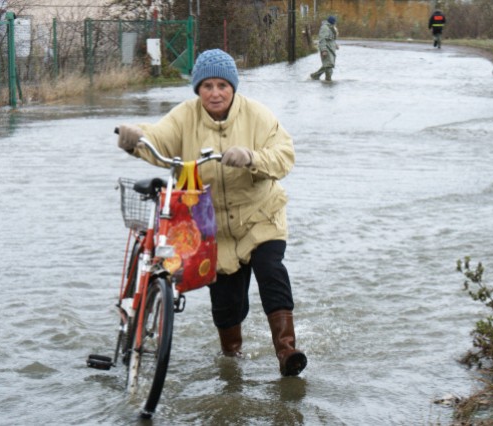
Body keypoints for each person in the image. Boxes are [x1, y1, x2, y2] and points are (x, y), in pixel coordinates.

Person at [116, 49, 307, 377]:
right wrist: (137, 138)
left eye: (222, 85)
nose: (215, 93)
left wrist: (251, 157)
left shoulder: (257, 115)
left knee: (271, 270)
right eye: (207, 86)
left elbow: (284, 155)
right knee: (227, 305)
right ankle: (232, 360)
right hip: (212, 229)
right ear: (197, 90)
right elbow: (160, 139)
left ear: (233, 87)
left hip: (260, 218)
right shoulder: (184, 117)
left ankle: (287, 352)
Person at [310, 15, 338, 81]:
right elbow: (322, 39)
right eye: (334, 22)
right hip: (327, 49)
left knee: (329, 64)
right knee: (328, 65)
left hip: (331, 49)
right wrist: (323, 50)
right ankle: (328, 81)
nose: (335, 23)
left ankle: (315, 76)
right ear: (332, 22)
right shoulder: (325, 28)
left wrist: (335, 44)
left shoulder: (330, 27)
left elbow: (331, 39)